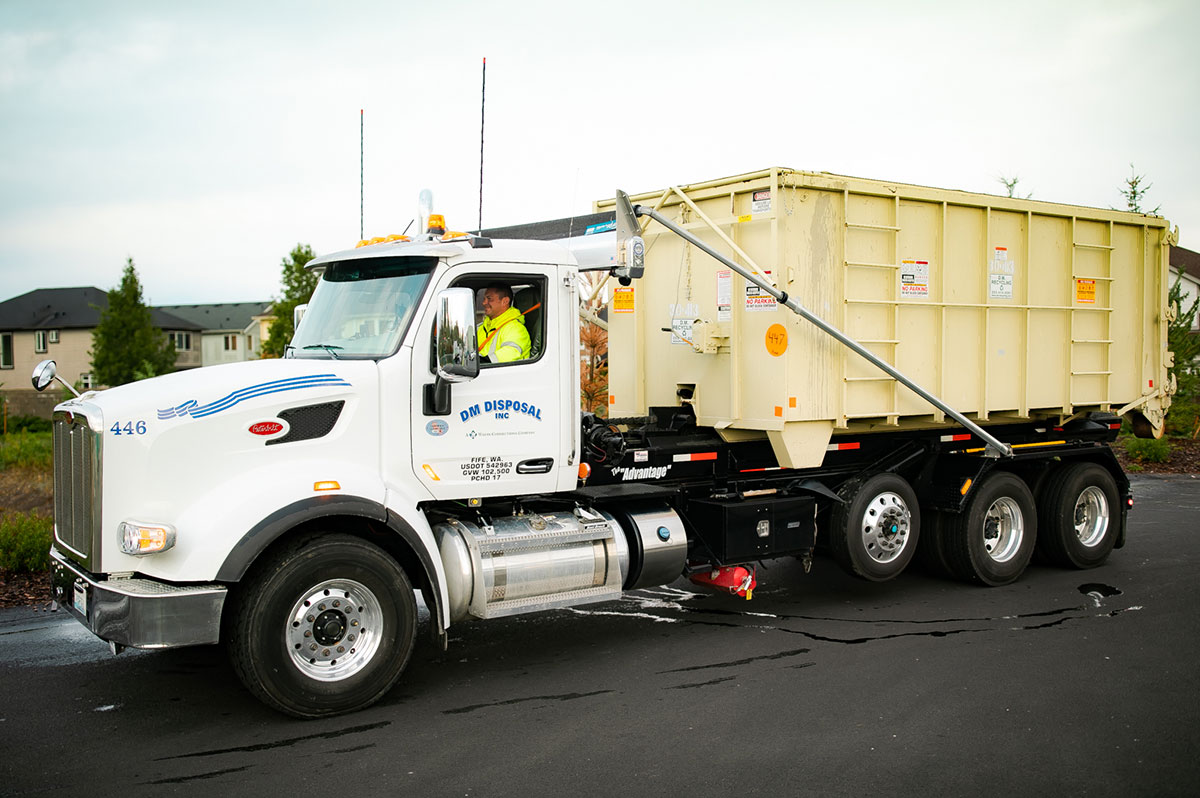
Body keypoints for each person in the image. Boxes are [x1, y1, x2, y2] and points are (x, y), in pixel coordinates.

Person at [477, 283, 531, 363]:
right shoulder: (481, 327)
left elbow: (509, 353)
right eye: (484, 299)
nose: (484, 303)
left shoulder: (516, 329)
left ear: (505, 301)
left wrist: (479, 363)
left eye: (489, 299)